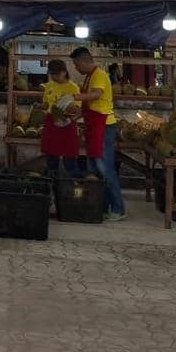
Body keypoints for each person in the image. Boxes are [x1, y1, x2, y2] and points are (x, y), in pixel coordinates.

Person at [72, 47, 126, 222]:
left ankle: (118, 208)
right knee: (94, 170)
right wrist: (74, 118)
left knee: (105, 169)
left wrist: (75, 97)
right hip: (94, 127)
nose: (76, 68)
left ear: (84, 61)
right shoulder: (89, 77)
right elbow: (89, 106)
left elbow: (96, 95)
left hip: (104, 127)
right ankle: (101, 206)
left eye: (76, 64)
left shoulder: (100, 75)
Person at [40, 59, 82, 178]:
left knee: (69, 159)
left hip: (67, 124)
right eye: (52, 74)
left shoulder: (73, 88)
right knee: (51, 157)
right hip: (51, 123)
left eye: (56, 74)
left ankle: (74, 182)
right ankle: (51, 182)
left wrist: (68, 117)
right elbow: (46, 104)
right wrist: (40, 106)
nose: (54, 77)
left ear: (64, 72)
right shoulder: (49, 86)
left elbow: (78, 111)